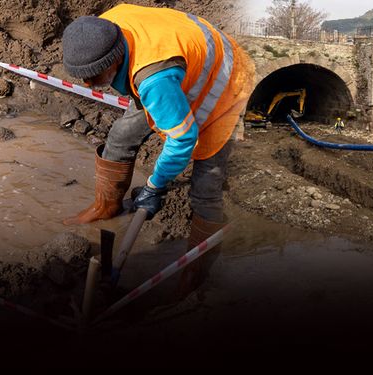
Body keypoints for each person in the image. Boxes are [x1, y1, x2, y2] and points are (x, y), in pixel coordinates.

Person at [61, 4, 253, 298]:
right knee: (122, 134)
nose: (89, 84)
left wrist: (155, 185)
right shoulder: (101, 30)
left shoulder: (154, 80)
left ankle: (195, 271)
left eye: (96, 76)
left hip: (227, 82)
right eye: (83, 78)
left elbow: (182, 139)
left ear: (114, 59)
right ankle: (106, 206)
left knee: (206, 187)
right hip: (183, 61)